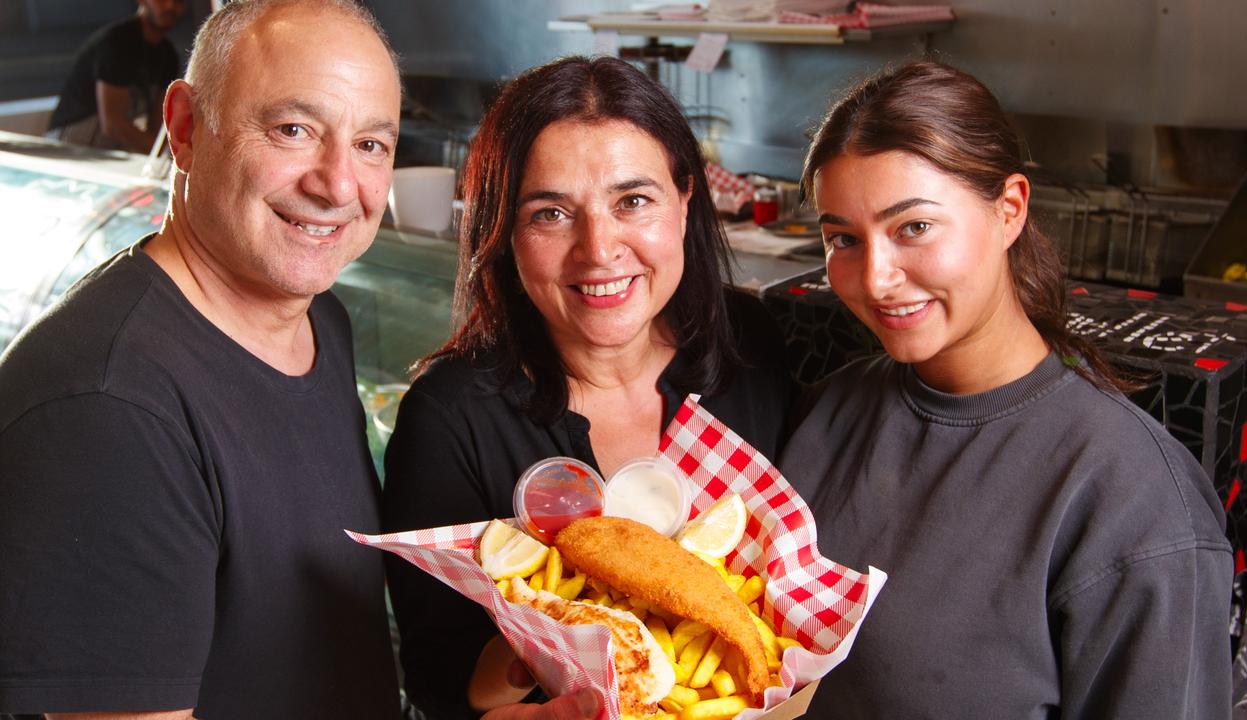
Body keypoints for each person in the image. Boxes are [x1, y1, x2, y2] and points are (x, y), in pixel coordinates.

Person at [780, 60, 1233, 719]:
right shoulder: (828, 409)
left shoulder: (1135, 498)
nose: (876, 279)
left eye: (914, 227)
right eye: (843, 238)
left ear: (1010, 210)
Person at [0, 1, 403, 717]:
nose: (339, 186)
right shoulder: (107, 409)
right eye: (293, 130)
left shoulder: (321, 320)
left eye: (371, 144)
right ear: (185, 128)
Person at [381, 55, 795, 719]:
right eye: (550, 213)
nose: (599, 249)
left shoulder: (749, 344)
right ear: (505, 234)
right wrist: (536, 650)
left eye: (634, 200)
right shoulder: (451, 420)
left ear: (686, 199)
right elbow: (438, 683)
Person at [45, 0, 186, 153]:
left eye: (179, 1)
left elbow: (158, 127)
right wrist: (165, 156)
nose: (170, 6)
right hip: (67, 147)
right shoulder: (118, 41)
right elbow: (113, 124)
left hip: (107, 151)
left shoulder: (168, 56)